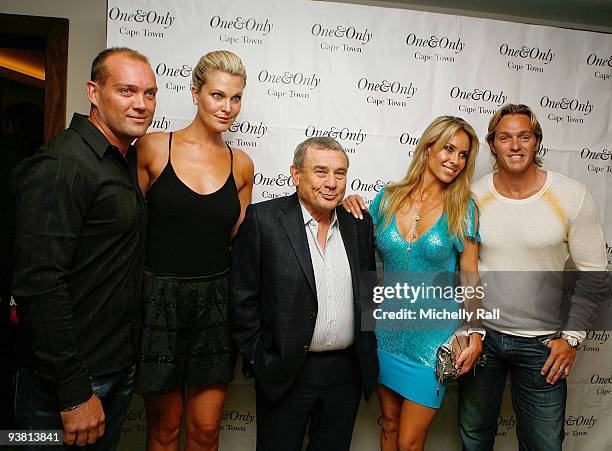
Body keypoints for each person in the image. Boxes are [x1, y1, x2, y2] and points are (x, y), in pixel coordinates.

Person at [11, 47, 157, 449]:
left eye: (149, 93)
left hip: (115, 369)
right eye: (127, 91)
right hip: (64, 385)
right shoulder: (63, 164)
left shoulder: (122, 160)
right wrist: (74, 392)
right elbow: (39, 284)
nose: (141, 104)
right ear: (94, 92)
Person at [457, 104, 608, 451]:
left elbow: (595, 276)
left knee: (544, 444)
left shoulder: (572, 196)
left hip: (543, 344)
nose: (515, 145)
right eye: (505, 137)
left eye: (524, 136)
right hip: (484, 339)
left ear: (536, 141)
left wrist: (571, 339)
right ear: (492, 144)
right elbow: (465, 269)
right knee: (474, 438)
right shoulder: (473, 197)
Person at [135, 50, 254, 451]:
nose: (227, 107)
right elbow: (125, 229)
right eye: (218, 95)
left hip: (214, 306)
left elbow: (235, 240)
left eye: (235, 98)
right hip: (158, 301)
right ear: (195, 93)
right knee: (165, 430)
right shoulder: (153, 148)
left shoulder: (242, 164)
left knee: (205, 431)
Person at [343, 116, 484, 451]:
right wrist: (348, 205)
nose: (455, 160)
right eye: (449, 148)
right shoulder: (388, 198)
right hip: (384, 335)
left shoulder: (464, 209)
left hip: (431, 342)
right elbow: (359, 247)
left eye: (463, 155)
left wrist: (475, 332)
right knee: (389, 426)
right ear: (428, 148)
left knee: (409, 443)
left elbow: (470, 276)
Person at [230, 136, 379, 451]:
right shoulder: (264, 220)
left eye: (340, 173)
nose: (332, 182)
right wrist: (264, 360)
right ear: (296, 175)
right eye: (321, 171)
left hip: (345, 373)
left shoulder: (359, 224)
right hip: (287, 372)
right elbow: (242, 298)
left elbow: (367, 294)